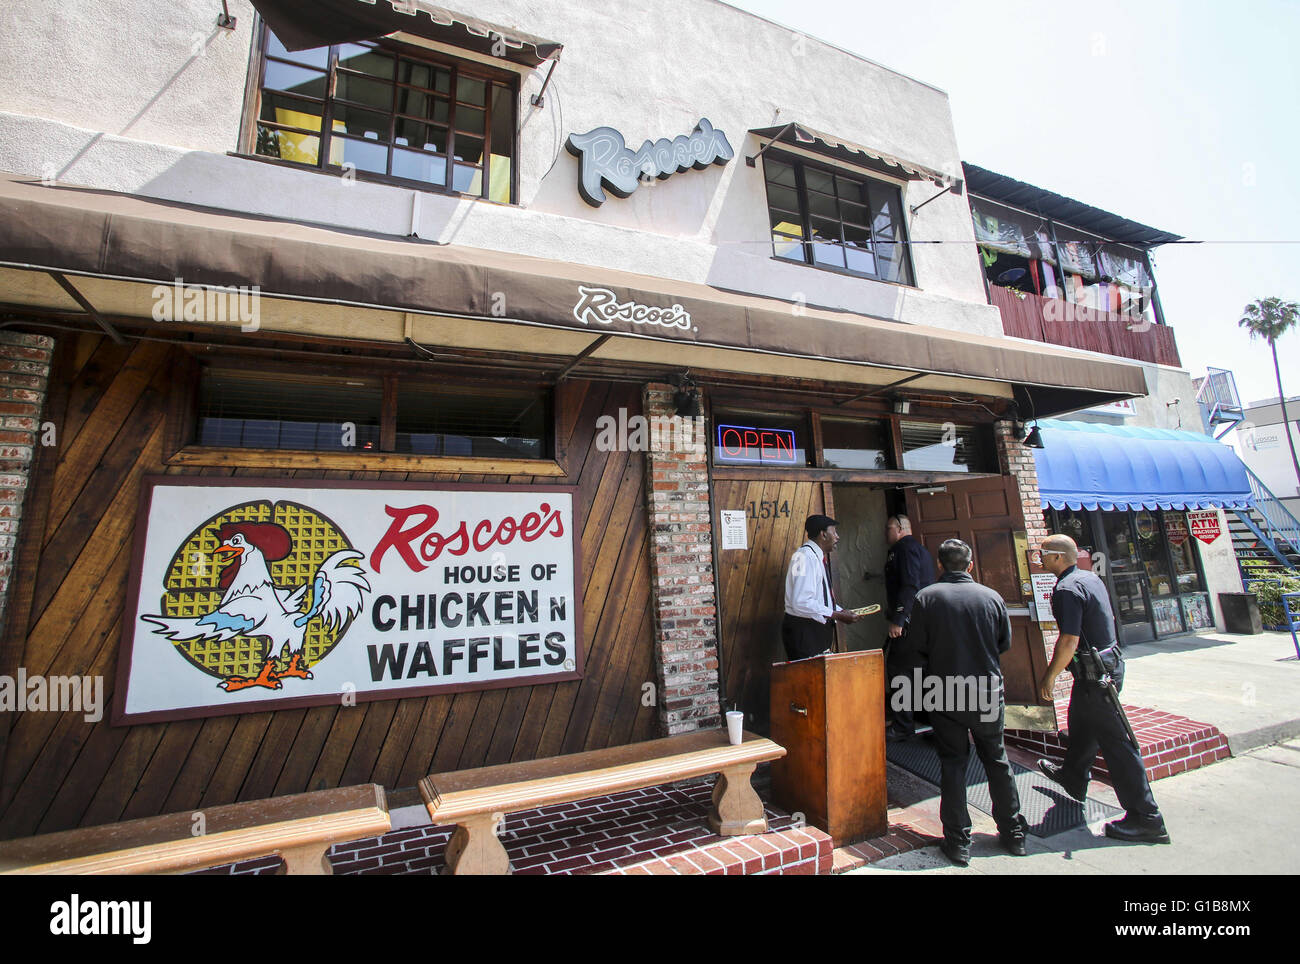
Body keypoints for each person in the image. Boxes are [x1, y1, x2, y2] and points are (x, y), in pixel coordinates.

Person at [1036, 533, 1171, 844]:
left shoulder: (1067, 590)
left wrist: (1050, 676)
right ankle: (1073, 777)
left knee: (1117, 744)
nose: (1039, 559)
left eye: (1042, 554)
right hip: (1105, 667)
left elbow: (1069, 640)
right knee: (1080, 723)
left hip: (1097, 676)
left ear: (1058, 557)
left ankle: (1147, 817)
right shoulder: (1088, 578)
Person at [909, 538, 1029, 866]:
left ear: (939, 564)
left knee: (953, 763)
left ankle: (958, 841)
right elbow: (1003, 643)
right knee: (997, 760)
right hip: (986, 689)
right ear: (970, 565)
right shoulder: (991, 597)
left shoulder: (926, 598)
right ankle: (1013, 833)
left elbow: (915, 646)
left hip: (945, 689)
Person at [883, 513, 934, 739]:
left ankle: (902, 726)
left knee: (899, 670)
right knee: (918, 670)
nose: (886, 533)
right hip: (921, 622)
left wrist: (899, 619)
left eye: (888, 529)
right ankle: (927, 719)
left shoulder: (904, 549)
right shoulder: (918, 549)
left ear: (900, 528)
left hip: (910, 623)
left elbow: (910, 585)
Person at [782, 514, 860, 660]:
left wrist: (840, 611)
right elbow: (801, 602)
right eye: (834, 532)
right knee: (809, 673)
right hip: (805, 632)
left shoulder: (814, 556)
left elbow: (820, 598)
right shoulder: (805, 557)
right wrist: (836, 615)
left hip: (814, 630)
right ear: (823, 535)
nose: (837, 537)